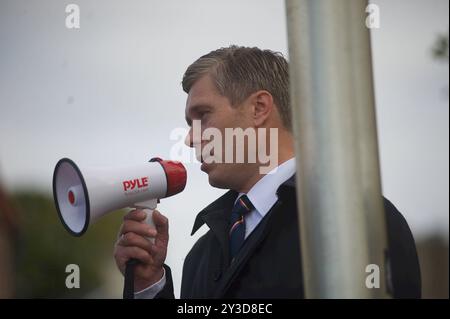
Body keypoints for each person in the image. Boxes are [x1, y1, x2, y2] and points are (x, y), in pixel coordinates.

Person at [113, 46, 421, 298]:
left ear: (259, 108)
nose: (191, 138)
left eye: (203, 115)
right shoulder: (202, 255)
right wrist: (150, 285)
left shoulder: (355, 219)